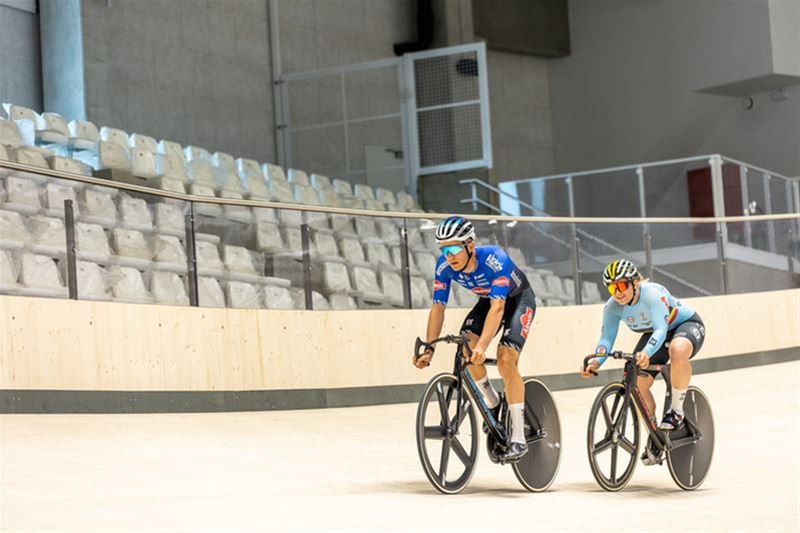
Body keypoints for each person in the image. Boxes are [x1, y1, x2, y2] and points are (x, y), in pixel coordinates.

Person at [412, 216, 537, 462]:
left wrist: (483, 345)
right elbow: (438, 308)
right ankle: (491, 401)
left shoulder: (494, 259)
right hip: (487, 301)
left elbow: (498, 309)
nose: (449, 255)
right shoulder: (444, 266)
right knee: (466, 350)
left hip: (518, 300)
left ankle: (519, 438)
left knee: (505, 361)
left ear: (470, 245)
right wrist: (429, 348)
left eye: (454, 248)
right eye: (444, 249)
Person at [580, 259, 706, 465]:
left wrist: (646, 352)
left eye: (621, 285)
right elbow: (606, 339)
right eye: (612, 287)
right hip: (655, 333)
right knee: (636, 381)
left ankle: (676, 410)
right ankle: (654, 432)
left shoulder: (652, 295)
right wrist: (595, 362)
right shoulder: (612, 307)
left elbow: (660, 330)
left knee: (677, 350)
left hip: (684, 325)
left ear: (634, 283)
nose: (617, 292)